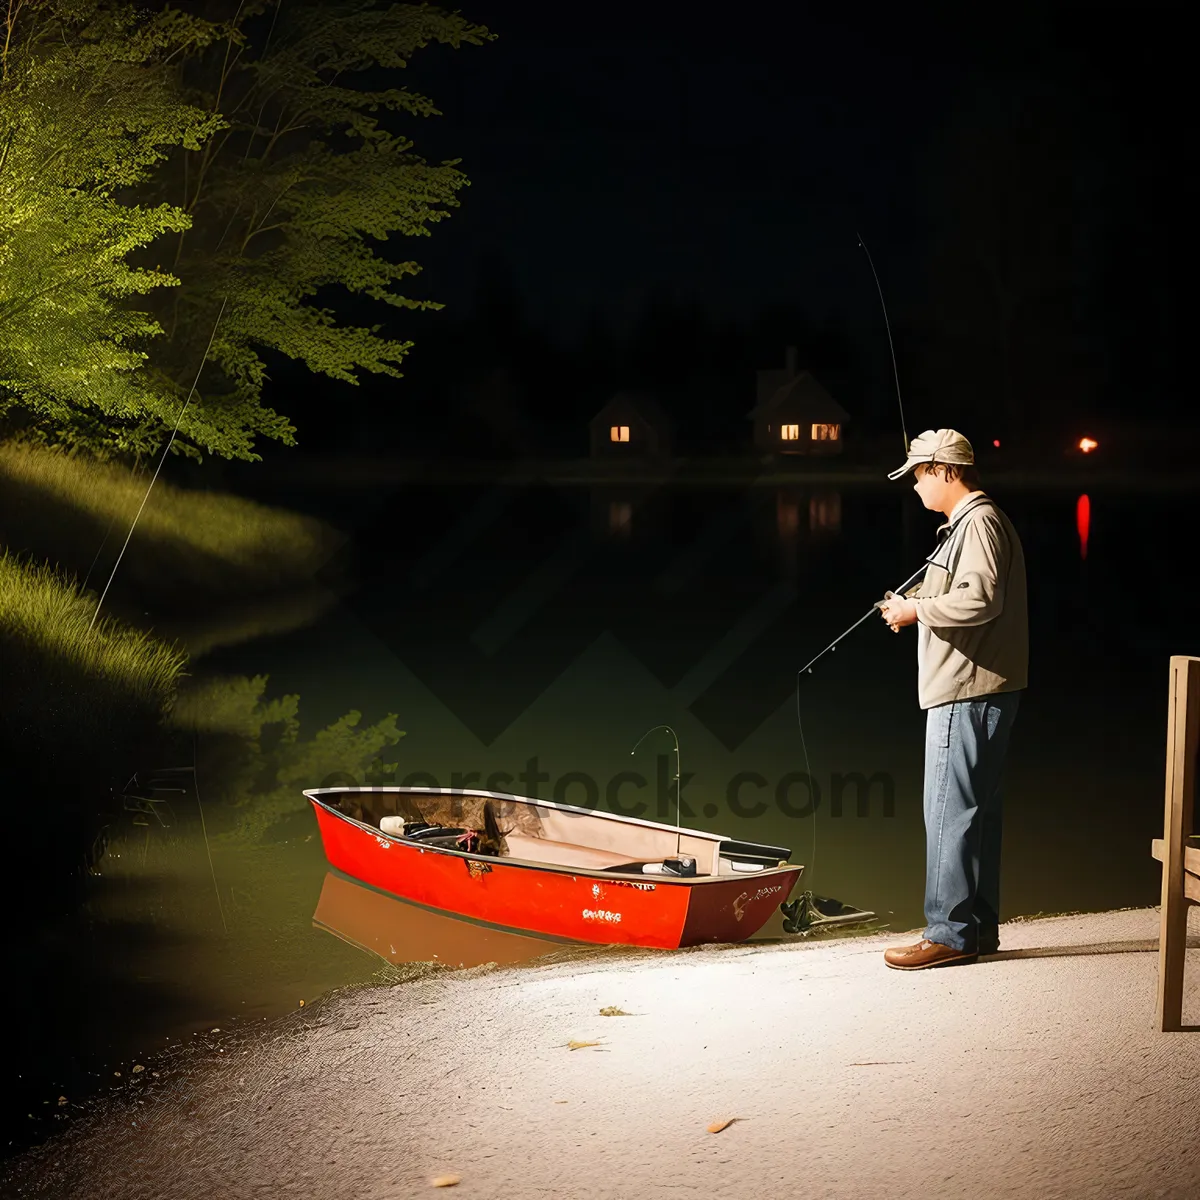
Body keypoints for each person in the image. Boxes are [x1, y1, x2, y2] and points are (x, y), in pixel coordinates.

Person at [876, 429, 1028, 970]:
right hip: (983, 689)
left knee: (949, 812)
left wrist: (916, 612)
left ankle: (948, 932)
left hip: (965, 691)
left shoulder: (980, 523)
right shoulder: (970, 525)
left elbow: (982, 598)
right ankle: (977, 930)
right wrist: (914, 601)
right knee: (976, 813)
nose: (915, 486)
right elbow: (966, 593)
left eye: (919, 474)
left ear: (944, 471)